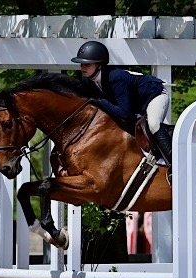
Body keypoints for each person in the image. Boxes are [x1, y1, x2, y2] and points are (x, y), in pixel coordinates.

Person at [71, 41, 173, 180]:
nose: (83, 67)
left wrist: (99, 102)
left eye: (87, 64)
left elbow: (124, 113)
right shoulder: (88, 79)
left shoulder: (116, 78)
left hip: (154, 95)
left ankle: (174, 163)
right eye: (81, 64)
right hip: (136, 104)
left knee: (153, 124)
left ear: (99, 65)